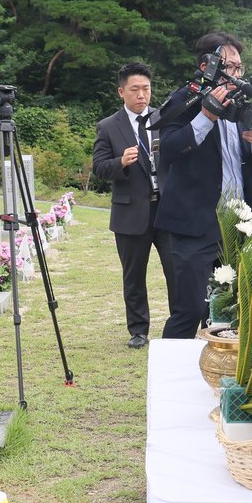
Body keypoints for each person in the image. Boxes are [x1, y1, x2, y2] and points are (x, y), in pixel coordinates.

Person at [154, 31, 252, 339]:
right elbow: (168, 150)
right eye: (229, 67)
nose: (235, 74)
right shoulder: (186, 98)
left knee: (236, 308)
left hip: (238, 224)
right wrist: (206, 116)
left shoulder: (242, 104)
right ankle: (172, 382)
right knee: (190, 309)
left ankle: (224, 377)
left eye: (239, 68)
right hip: (196, 223)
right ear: (209, 64)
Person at [91, 61, 176, 348]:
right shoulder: (108, 127)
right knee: (134, 276)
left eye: (146, 89)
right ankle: (138, 330)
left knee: (177, 271)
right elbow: (99, 168)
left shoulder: (165, 118)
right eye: (135, 89)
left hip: (166, 209)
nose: (142, 95)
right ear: (121, 92)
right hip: (130, 213)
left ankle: (181, 325)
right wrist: (120, 163)